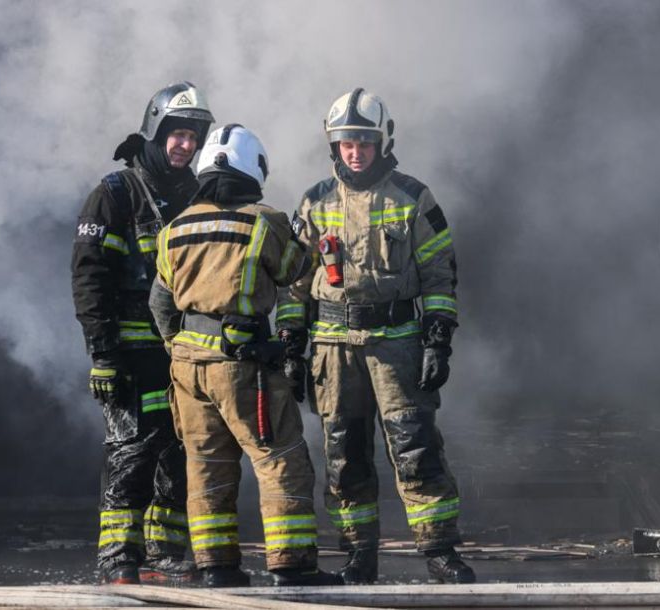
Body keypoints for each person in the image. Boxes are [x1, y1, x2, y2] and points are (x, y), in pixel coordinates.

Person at [276, 88, 475, 584]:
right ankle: (358, 555)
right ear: (334, 145)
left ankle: (439, 551)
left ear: (382, 140)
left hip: (397, 345)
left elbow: (439, 273)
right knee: (344, 454)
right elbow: (294, 281)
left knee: (416, 447)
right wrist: (290, 343)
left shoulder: (412, 196)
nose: (355, 151)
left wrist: (437, 337)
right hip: (332, 347)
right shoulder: (315, 201)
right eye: (345, 142)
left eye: (363, 141)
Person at [148, 124, 343, 588]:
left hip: (187, 368)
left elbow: (159, 301)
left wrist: (180, 345)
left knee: (206, 465)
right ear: (253, 168)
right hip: (244, 366)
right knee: (280, 459)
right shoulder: (265, 221)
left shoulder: (175, 228)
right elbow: (298, 270)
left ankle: (217, 568)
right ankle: (292, 565)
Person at [71, 81, 214, 584]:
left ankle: (164, 551)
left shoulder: (197, 196)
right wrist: (103, 354)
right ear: (155, 131)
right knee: (131, 451)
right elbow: (90, 278)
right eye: (176, 133)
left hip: (181, 351)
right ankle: (118, 558)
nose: (185, 145)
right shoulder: (115, 194)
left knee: (177, 448)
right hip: (129, 353)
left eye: (193, 136)